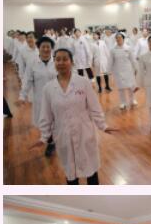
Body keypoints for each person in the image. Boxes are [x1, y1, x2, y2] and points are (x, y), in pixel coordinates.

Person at [35, 47, 115, 184]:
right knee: (71, 173)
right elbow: (46, 115)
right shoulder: (48, 88)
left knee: (91, 170)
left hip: (84, 132)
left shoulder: (83, 82)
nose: (61, 62)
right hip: (63, 135)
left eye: (65, 59)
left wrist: (103, 125)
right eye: (57, 59)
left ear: (71, 62)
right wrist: (44, 136)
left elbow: (95, 107)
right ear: (54, 62)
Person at [109, 32, 138, 110]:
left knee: (130, 87)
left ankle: (132, 100)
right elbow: (110, 61)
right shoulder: (113, 50)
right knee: (120, 88)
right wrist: (109, 71)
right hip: (118, 71)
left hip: (128, 70)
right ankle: (123, 102)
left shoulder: (128, 48)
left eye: (120, 38)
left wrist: (136, 68)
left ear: (123, 39)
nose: (118, 39)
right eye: (117, 38)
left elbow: (133, 59)